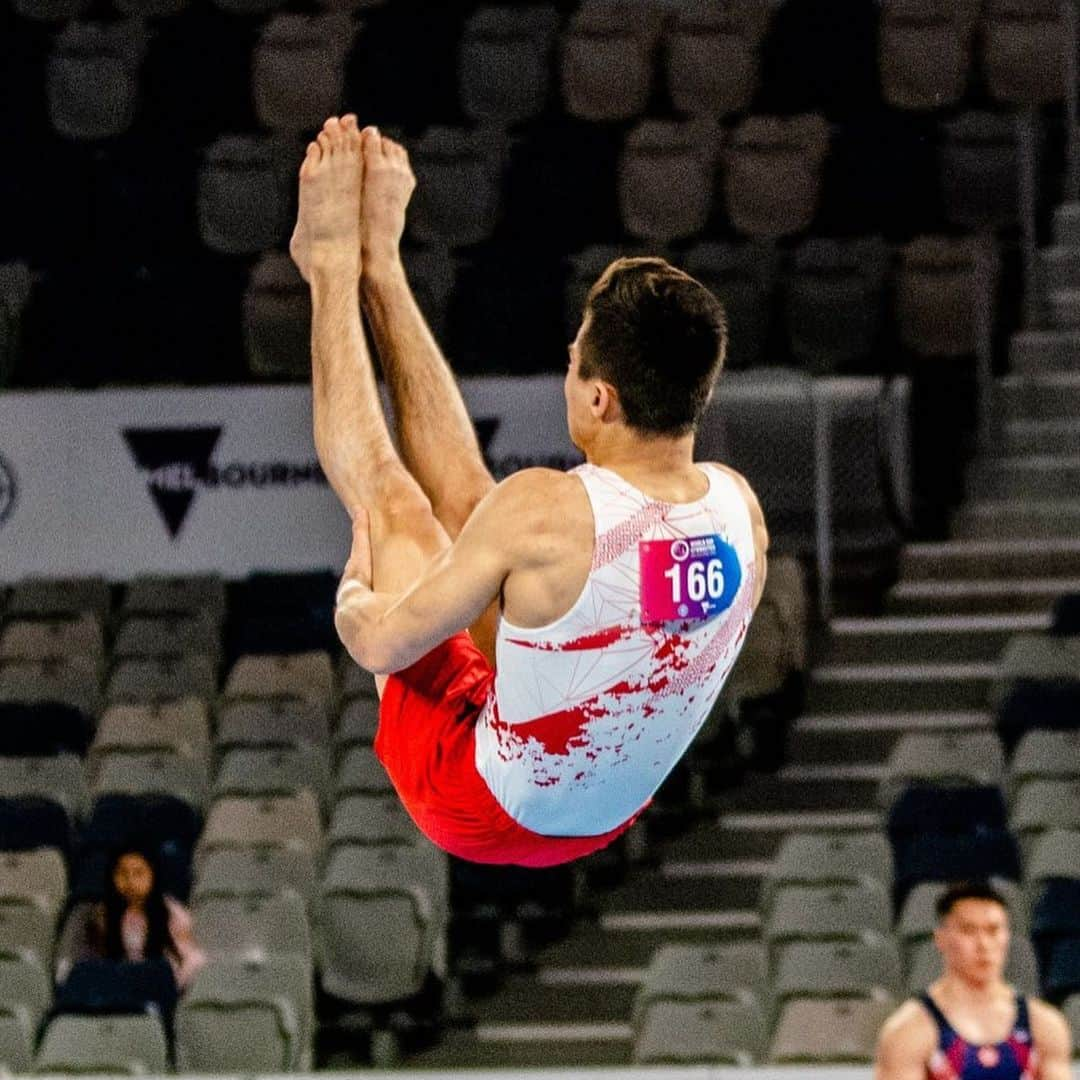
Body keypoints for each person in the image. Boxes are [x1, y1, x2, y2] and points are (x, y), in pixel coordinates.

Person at [290, 114, 768, 867]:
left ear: (601, 398)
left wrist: (353, 595)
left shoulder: (547, 512)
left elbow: (379, 642)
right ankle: (381, 264)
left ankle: (327, 265)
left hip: (480, 806)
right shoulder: (741, 511)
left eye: (575, 360)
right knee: (487, 520)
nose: (567, 367)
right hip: (606, 811)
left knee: (397, 506)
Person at [875, 881, 1073, 1080]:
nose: (983, 944)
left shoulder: (1044, 1025)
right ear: (941, 938)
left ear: (1007, 937)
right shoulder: (909, 1030)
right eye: (969, 930)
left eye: (993, 930)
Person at [59, 847, 205, 992]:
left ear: (152, 875)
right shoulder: (100, 914)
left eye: (138, 874)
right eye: (122, 874)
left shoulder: (172, 913)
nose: (130, 881)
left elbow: (189, 958)